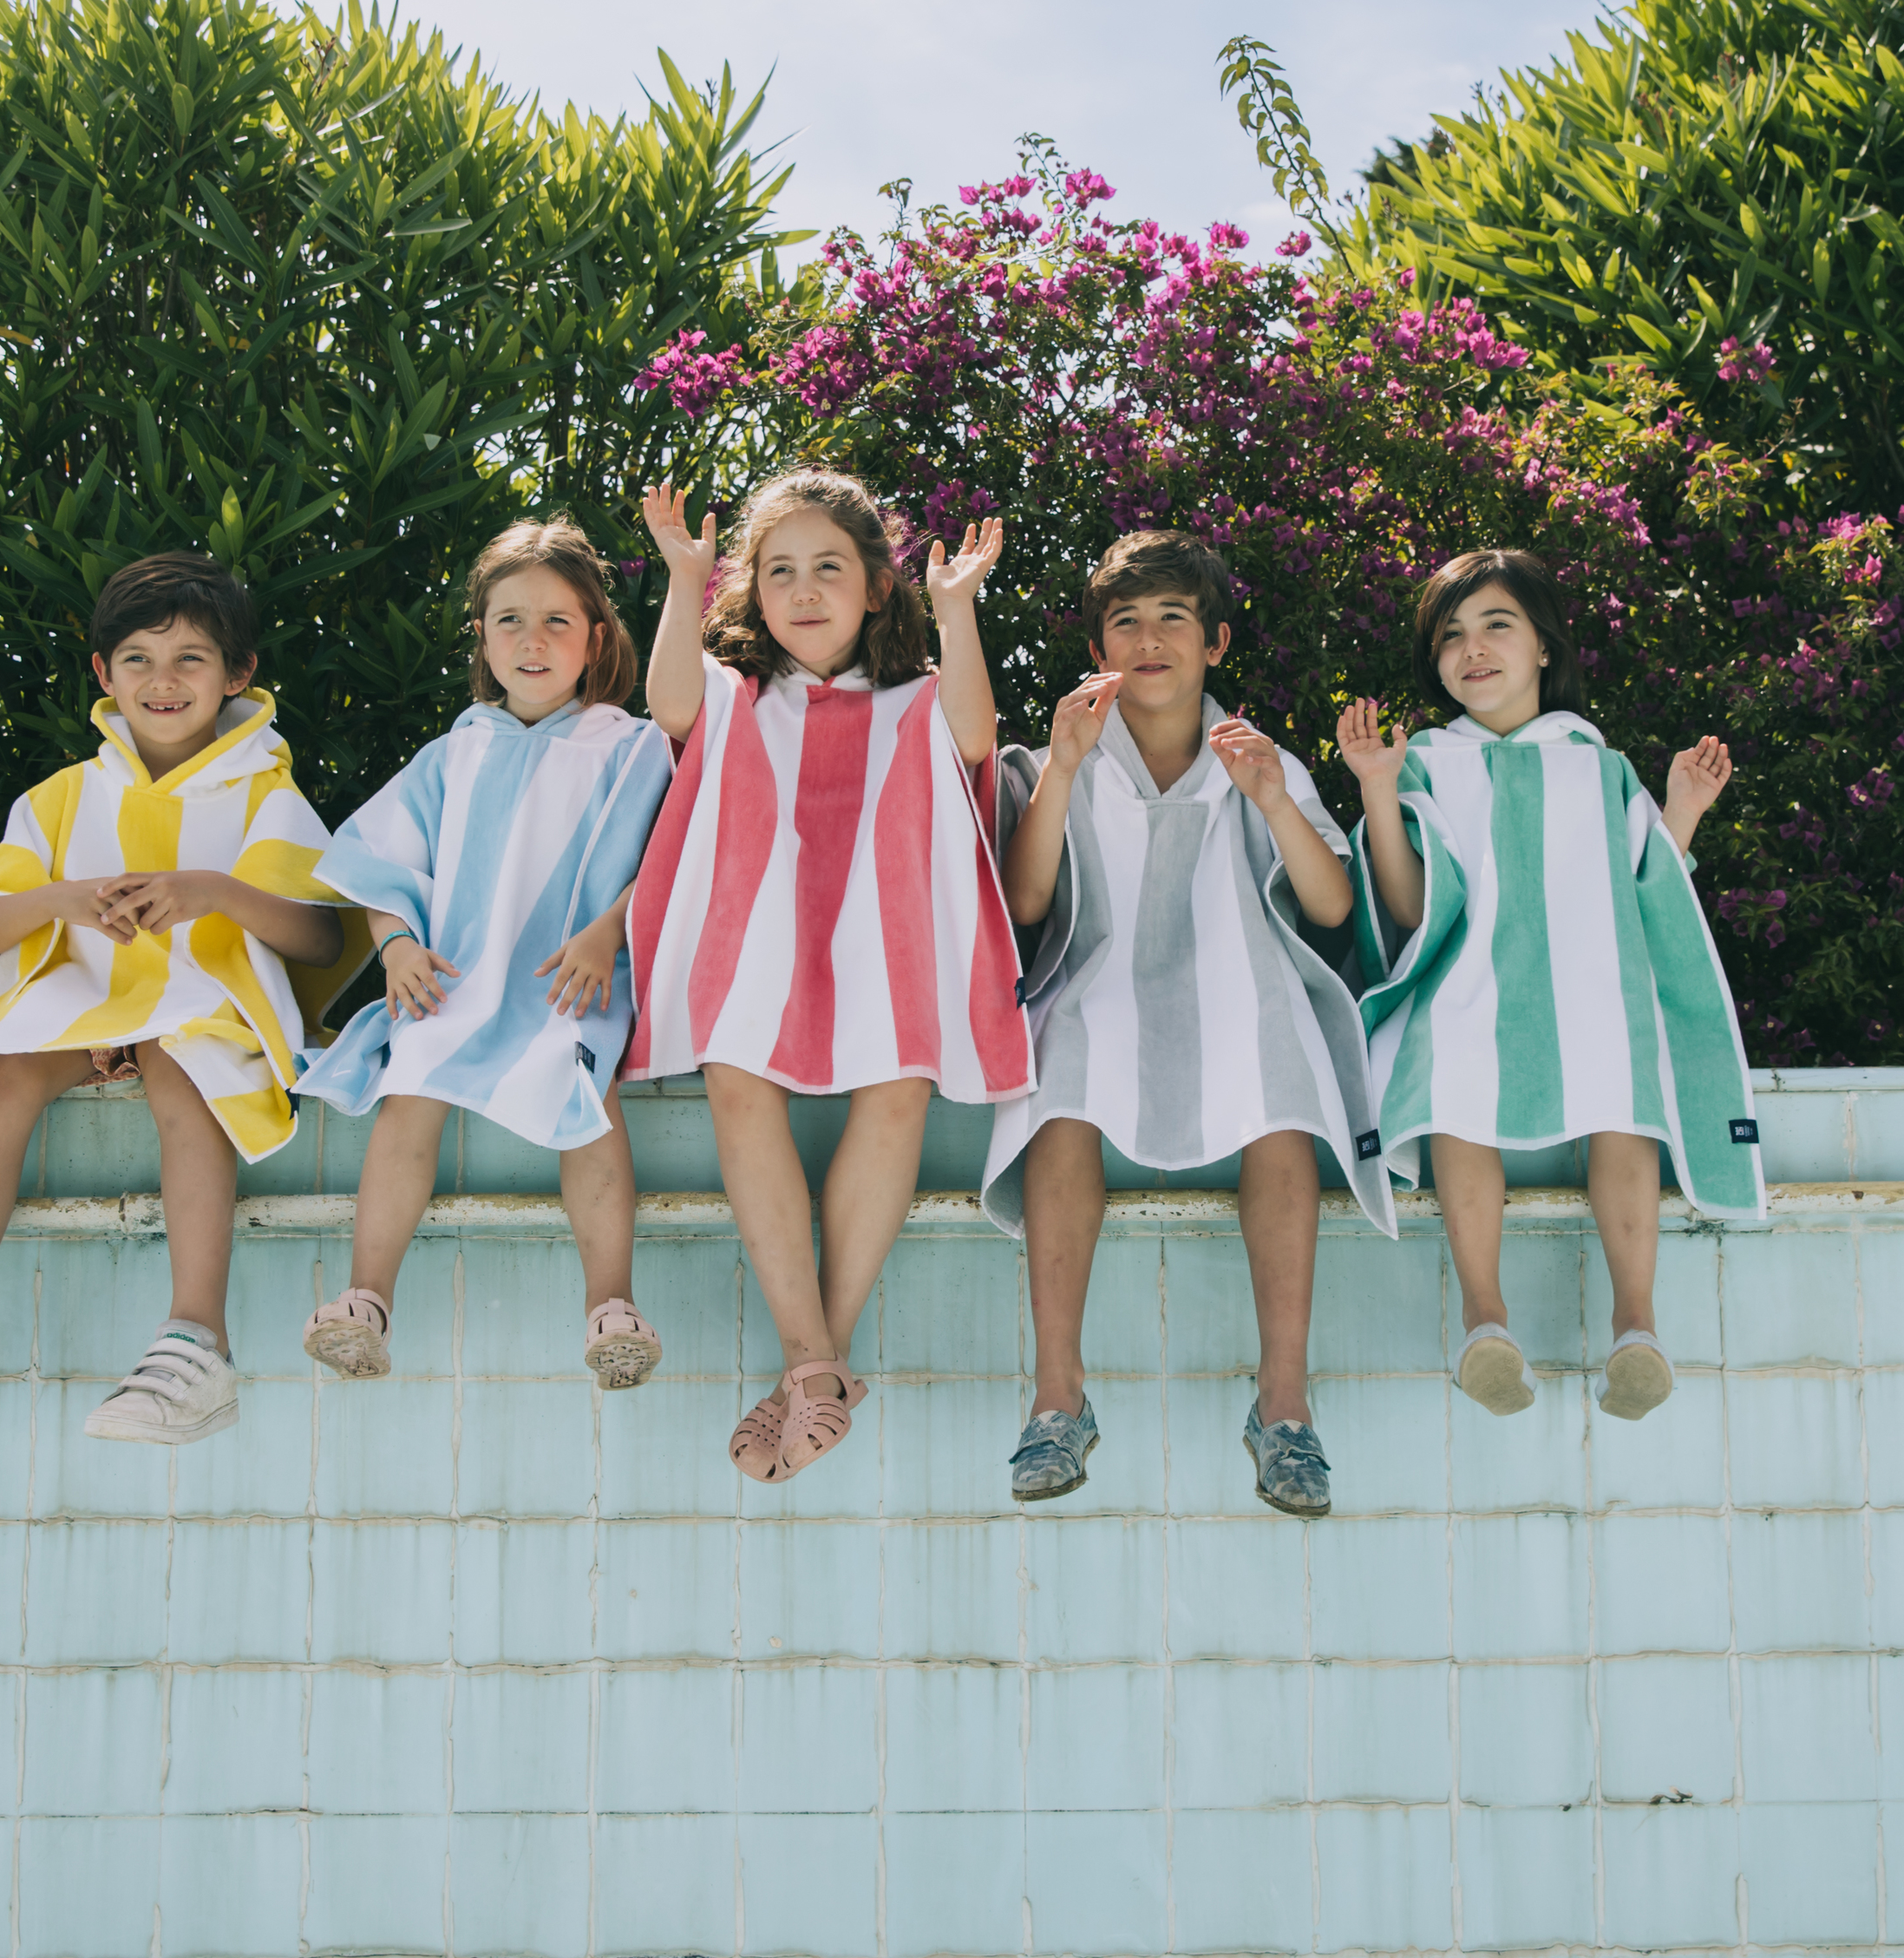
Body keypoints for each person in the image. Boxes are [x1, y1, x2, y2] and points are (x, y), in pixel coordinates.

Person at [0, 552, 364, 1470]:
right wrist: (62, 899)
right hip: (87, 1009)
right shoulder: (64, 797)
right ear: (103, 674)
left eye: (189, 657)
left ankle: (195, 1343)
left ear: (238, 673)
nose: (163, 678)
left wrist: (210, 889)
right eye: (137, 658)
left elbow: (316, 939)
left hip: (206, 1014)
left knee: (185, 1067)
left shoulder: (266, 790)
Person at [627, 471, 1028, 1482]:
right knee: (735, 1078)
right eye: (779, 571)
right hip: (755, 937)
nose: (804, 591)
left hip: (885, 938)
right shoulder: (734, 695)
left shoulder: (917, 701)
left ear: (876, 587)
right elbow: (669, 699)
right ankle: (818, 1363)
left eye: (829, 569)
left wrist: (958, 609)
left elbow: (977, 736)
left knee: (897, 1096)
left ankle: (816, 1359)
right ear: (750, 591)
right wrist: (683, 577)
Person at [984, 530, 1384, 1517]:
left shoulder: (1259, 757)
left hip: (1240, 980)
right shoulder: (1055, 753)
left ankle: (1283, 1407)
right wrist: (1065, 772)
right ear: (1098, 647)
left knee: (1278, 1085)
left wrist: (1276, 802)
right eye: (1126, 620)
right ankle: (1056, 1398)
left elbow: (1332, 907)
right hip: (1100, 978)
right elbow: (1028, 903)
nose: (1149, 638)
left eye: (1173, 618)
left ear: (1214, 641)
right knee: (1061, 1082)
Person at [1337, 547, 1757, 1423]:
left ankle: (1636, 1325)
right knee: (1451, 1081)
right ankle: (1484, 1318)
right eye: (1451, 634)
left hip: (1590, 986)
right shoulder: (1425, 762)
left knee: (1622, 1094)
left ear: (1542, 648)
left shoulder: (1594, 763)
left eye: (1497, 624)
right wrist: (1378, 789)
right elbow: (1407, 905)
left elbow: (1647, 886)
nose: (1473, 647)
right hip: (1466, 984)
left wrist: (1680, 808)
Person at [292, 519, 676, 1387]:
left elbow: (675, 856)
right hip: (456, 979)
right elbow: (383, 863)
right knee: (410, 1081)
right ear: (482, 637)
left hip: (570, 980)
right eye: (509, 620)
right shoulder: (452, 752)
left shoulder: (630, 747)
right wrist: (395, 948)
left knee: (586, 1089)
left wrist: (609, 928)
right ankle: (366, 1298)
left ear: (597, 638)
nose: (531, 640)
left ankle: (611, 1304)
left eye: (555, 621)